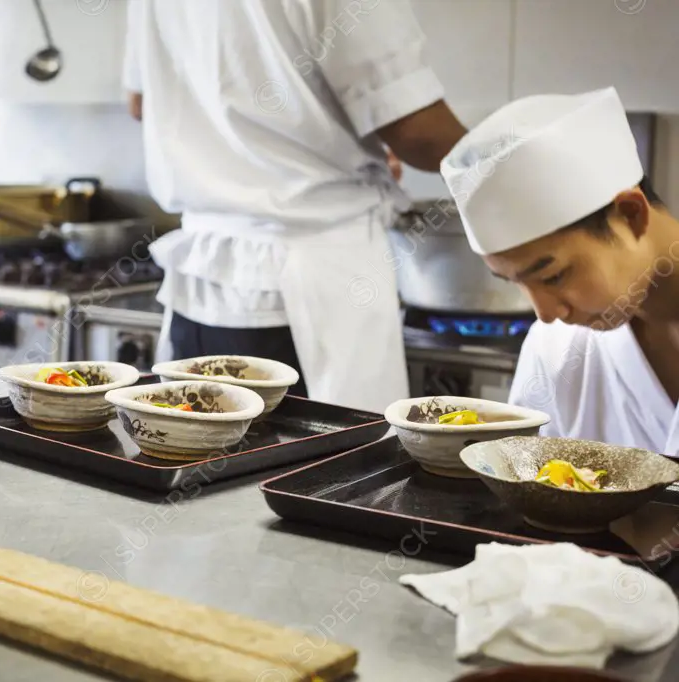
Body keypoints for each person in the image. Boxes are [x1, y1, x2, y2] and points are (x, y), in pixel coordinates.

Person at [122, 0, 468, 413]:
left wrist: (307, 153)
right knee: (322, 473)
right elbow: (419, 132)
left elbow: (140, 102)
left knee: (206, 463)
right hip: (308, 295)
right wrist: (502, 166)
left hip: (200, 286)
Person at [440, 86, 679, 454]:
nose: (546, 313)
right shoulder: (555, 351)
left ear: (631, 215)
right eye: (517, 283)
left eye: (554, 276)